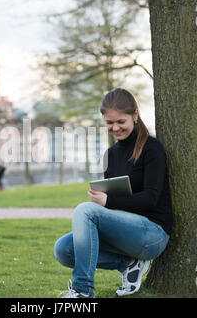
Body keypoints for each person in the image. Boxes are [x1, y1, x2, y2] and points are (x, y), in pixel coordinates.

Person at [54, 88, 173, 298]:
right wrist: (103, 201)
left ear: (135, 115)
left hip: (152, 233)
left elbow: (151, 198)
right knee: (63, 249)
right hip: (124, 231)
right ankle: (129, 264)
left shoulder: (151, 148)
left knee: (85, 210)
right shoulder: (111, 154)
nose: (115, 127)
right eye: (110, 123)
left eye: (121, 122)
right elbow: (114, 203)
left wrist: (108, 201)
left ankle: (82, 290)